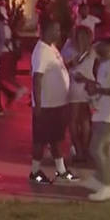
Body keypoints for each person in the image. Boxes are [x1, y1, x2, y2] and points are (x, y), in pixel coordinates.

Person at [30, 20, 79, 184]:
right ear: (45, 31)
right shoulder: (42, 51)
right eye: (55, 30)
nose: (58, 33)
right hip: (46, 105)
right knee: (40, 140)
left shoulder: (51, 48)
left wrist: (70, 64)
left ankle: (61, 171)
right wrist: (37, 104)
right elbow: (37, 78)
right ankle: (35, 172)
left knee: (56, 138)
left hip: (56, 104)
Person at [85, 39, 110, 201]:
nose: (95, 48)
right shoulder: (103, 64)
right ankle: (102, 180)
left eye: (98, 45)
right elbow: (103, 86)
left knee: (96, 148)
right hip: (103, 112)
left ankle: (107, 184)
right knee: (105, 150)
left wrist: (99, 89)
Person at [63, 25, 95, 164]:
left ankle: (79, 150)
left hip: (75, 87)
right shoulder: (93, 52)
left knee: (73, 120)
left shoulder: (70, 50)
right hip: (88, 87)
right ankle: (85, 149)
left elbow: (64, 66)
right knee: (85, 120)